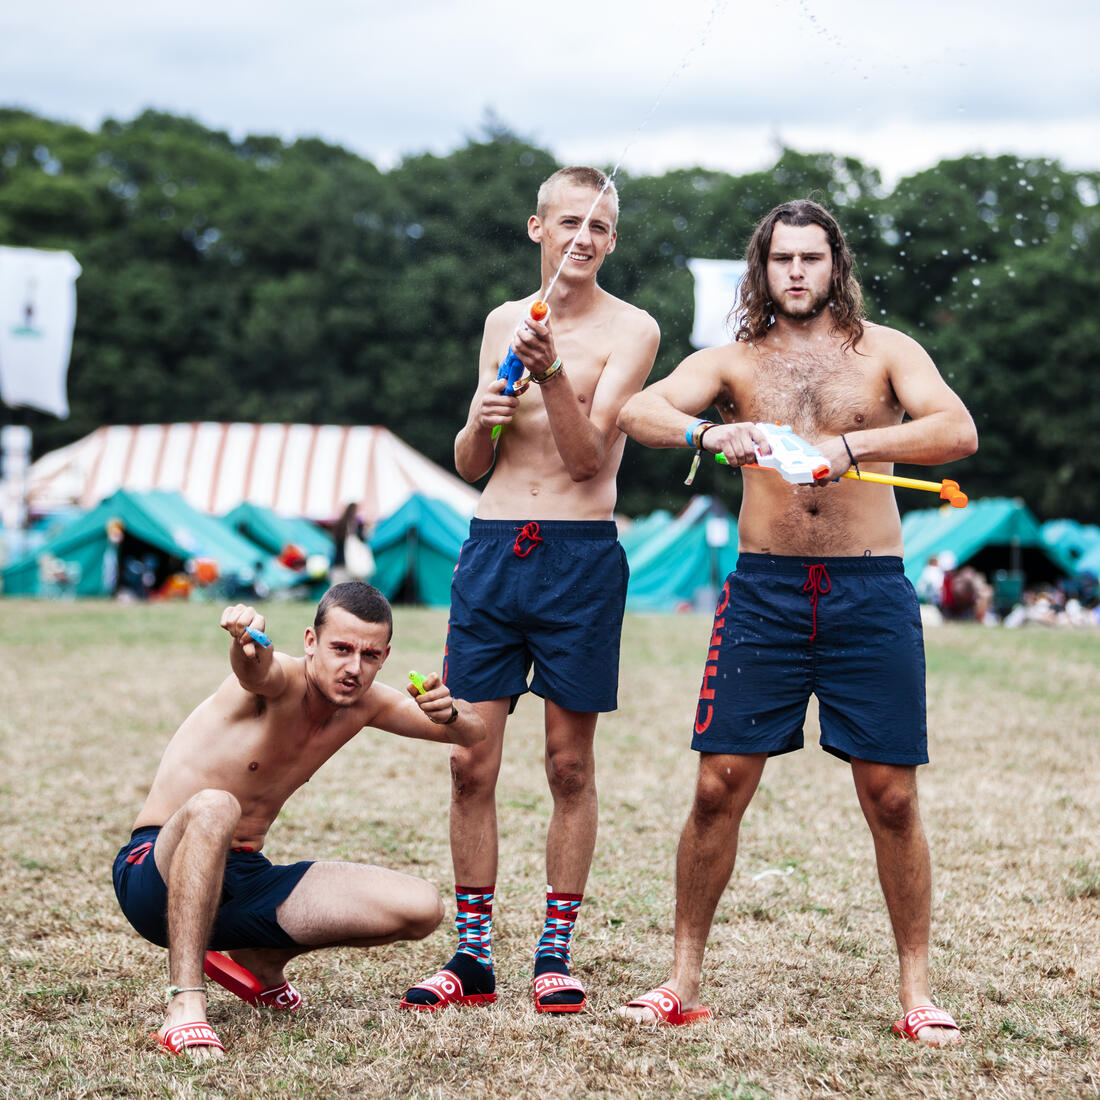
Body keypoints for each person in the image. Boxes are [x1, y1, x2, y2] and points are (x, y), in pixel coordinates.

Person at [615, 199, 977, 1046]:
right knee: (717, 786)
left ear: (835, 265)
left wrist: (855, 447)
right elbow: (637, 411)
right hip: (764, 593)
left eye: (812, 257)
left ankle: (917, 990)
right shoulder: (734, 360)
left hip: (869, 591)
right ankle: (680, 981)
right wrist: (712, 434)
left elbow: (956, 430)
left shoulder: (888, 352)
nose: (797, 272)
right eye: (783, 259)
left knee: (891, 797)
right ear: (763, 268)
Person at [401, 166, 660, 1015]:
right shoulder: (501, 321)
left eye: (600, 226)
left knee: (567, 764)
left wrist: (550, 377)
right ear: (536, 228)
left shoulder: (633, 329)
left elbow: (588, 461)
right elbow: (472, 461)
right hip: (492, 549)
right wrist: (479, 417)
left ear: (612, 241)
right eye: (570, 222)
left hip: (579, 556)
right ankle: (473, 956)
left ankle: (555, 953)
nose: (585, 238)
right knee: (467, 761)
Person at [112, 582, 485, 1060]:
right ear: (311, 642)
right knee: (217, 806)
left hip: (241, 877)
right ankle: (185, 1005)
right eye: (341, 649)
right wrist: (245, 642)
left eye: (369, 655)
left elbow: (473, 731)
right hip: (156, 872)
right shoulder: (280, 681)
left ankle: (260, 958)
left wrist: (449, 712)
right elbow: (255, 670)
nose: (354, 667)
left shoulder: (368, 703)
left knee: (422, 908)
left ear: (385, 657)